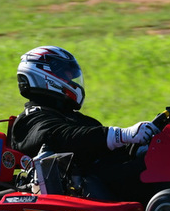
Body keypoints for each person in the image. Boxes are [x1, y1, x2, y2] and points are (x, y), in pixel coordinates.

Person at [10, 45, 159, 202]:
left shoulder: (74, 117)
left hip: (108, 176)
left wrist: (142, 143)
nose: (71, 79)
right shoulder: (30, 119)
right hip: (85, 187)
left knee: (159, 157)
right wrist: (122, 135)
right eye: (65, 74)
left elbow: (105, 146)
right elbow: (60, 137)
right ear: (44, 74)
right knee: (154, 171)